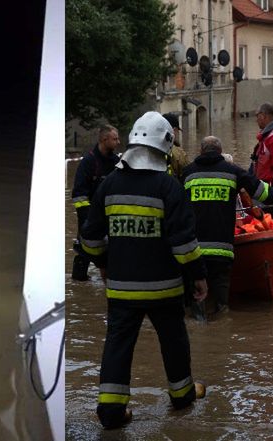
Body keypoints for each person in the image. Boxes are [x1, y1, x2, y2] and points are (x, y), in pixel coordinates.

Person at [78, 111, 208, 429]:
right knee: (174, 341)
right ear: (165, 146)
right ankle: (182, 396)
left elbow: (90, 239)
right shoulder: (168, 187)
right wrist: (198, 276)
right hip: (165, 288)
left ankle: (110, 412)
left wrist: (105, 265)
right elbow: (184, 245)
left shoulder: (109, 185)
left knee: (118, 344)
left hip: (121, 288)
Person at [181, 136, 273, 316]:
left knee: (196, 301)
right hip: (222, 250)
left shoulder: (187, 173)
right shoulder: (232, 171)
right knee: (222, 302)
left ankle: (198, 324)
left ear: (200, 151)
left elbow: (177, 206)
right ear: (220, 152)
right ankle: (222, 328)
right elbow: (259, 190)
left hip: (194, 250)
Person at [70, 124, 121, 280]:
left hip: (111, 215)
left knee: (113, 250)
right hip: (90, 216)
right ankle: (79, 281)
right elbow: (79, 194)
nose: (118, 142)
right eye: (115, 139)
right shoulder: (88, 162)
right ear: (104, 140)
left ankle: (109, 277)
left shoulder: (117, 162)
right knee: (83, 250)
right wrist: (87, 219)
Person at [162, 112, 189, 179]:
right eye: (177, 131)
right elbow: (187, 173)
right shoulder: (178, 153)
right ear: (174, 130)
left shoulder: (147, 148)